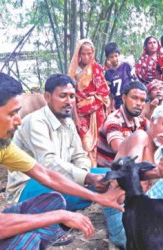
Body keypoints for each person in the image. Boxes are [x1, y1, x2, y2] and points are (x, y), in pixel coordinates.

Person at [0, 70, 124, 249]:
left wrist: (97, 197)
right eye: (12, 114)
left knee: (54, 201)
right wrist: (60, 216)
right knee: (23, 239)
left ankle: (31, 240)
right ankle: (28, 241)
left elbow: (46, 174)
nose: (18, 121)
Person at [6, 74, 112, 211]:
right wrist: (87, 178)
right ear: (47, 97)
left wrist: (85, 176)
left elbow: (79, 155)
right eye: (63, 96)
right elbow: (48, 163)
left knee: (111, 176)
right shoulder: (36, 121)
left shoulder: (68, 122)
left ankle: (117, 227)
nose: (69, 101)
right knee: (74, 194)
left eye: (72, 96)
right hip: (29, 186)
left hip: (61, 178)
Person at [104, 102, 163, 248]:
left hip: (140, 223)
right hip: (123, 221)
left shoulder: (158, 150)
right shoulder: (140, 137)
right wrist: (157, 173)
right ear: (153, 121)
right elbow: (130, 170)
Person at [69, 39, 111, 165]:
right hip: (80, 113)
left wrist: (92, 99)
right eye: (83, 54)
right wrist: (75, 117)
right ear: (78, 54)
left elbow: (104, 92)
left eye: (89, 53)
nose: (86, 57)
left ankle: (98, 168)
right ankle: (86, 169)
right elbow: (72, 96)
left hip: (97, 112)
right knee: (85, 143)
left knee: (99, 141)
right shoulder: (74, 70)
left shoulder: (97, 68)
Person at [97, 81, 149, 168]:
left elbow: (155, 135)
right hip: (109, 172)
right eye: (134, 98)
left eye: (142, 100)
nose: (139, 103)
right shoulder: (113, 120)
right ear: (124, 98)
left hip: (129, 169)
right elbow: (119, 149)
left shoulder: (141, 120)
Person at [104, 42, 134, 110]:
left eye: (116, 56)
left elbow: (134, 80)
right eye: (111, 57)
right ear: (107, 58)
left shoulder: (126, 66)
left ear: (119, 55)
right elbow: (110, 92)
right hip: (118, 103)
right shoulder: (108, 73)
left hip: (129, 99)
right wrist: (111, 106)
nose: (114, 59)